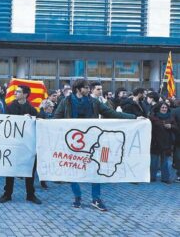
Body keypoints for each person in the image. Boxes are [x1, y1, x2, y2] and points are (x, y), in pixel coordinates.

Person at [54, 79, 137, 212]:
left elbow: (112, 114)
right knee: (72, 169)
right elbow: (56, 119)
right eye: (86, 88)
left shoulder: (94, 102)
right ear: (78, 89)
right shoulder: (66, 101)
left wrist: (133, 117)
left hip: (92, 142)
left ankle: (96, 199)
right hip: (72, 142)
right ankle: (77, 197)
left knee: (96, 169)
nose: (88, 90)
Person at [0, 85, 42, 205]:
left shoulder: (32, 109)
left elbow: (38, 124)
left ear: (25, 94)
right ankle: (7, 194)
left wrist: (32, 120)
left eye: (18, 92)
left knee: (29, 170)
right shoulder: (10, 107)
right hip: (13, 144)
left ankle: (30, 195)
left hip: (27, 146)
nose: (15, 93)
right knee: (10, 170)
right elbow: (6, 122)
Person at [149, 102, 177, 184]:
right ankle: (152, 177)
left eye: (165, 108)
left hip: (166, 143)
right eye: (162, 107)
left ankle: (165, 178)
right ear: (159, 108)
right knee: (154, 162)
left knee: (165, 162)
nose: (164, 109)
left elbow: (176, 128)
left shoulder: (171, 118)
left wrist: (171, 126)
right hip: (155, 143)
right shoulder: (153, 117)